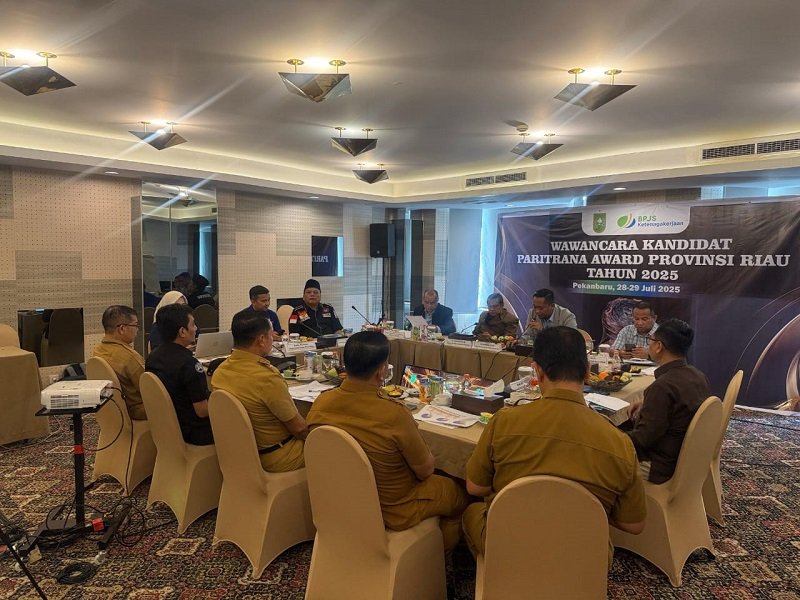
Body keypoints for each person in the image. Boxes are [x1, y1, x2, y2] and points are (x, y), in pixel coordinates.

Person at [463, 326, 646, 565]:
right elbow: (634, 524)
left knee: (470, 512)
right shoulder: (620, 442)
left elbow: (475, 487)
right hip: (585, 556)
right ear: (588, 371)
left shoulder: (504, 422)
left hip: (510, 544)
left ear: (537, 372)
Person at [307, 331, 468, 553]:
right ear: (382, 371)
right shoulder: (394, 414)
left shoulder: (321, 402)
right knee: (460, 492)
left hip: (338, 498)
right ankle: (436, 562)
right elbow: (426, 471)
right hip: (394, 508)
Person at [211, 311, 307, 471]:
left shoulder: (220, 371)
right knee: (336, 444)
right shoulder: (266, 378)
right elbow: (299, 429)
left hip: (240, 454)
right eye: (271, 335)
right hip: (279, 456)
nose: (273, 340)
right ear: (261, 340)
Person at [626, 319, 710, 484]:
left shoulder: (663, 387)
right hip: (687, 459)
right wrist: (647, 404)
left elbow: (642, 440)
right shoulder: (698, 376)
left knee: (597, 456)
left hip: (660, 466)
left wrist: (608, 438)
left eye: (650, 341)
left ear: (658, 346)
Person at [145, 303, 213, 445]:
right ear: (182, 331)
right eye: (193, 324)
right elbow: (202, 411)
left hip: (166, 425)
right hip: (194, 432)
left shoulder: (153, 357)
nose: (196, 329)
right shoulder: (189, 364)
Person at [93, 305, 147, 420]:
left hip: (111, 410)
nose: (137, 330)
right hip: (136, 411)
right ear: (122, 329)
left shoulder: (97, 351)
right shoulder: (129, 357)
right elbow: (148, 389)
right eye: (135, 325)